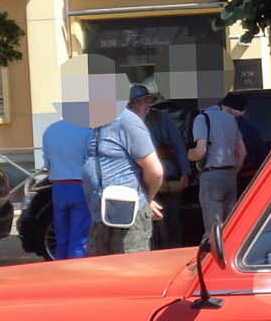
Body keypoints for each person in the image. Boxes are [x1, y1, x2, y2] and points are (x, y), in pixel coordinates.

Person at [83, 82, 163, 255]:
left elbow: (155, 170)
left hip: (128, 216)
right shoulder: (97, 125)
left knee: (130, 273)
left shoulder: (127, 121)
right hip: (101, 215)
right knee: (100, 273)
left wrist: (147, 198)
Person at [188, 91, 249, 237]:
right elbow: (242, 152)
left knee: (213, 231)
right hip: (230, 176)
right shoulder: (230, 119)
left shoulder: (202, 118)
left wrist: (189, 155)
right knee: (229, 228)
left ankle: (212, 259)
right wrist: (234, 171)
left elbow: (201, 150)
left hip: (211, 176)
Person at [41, 104, 94, 260]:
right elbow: (91, 164)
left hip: (58, 187)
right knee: (79, 239)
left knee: (61, 238)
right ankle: (77, 277)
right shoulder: (87, 131)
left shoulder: (50, 130)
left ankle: (60, 273)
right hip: (80, 187)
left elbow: (47, 165)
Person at [144, 93, 191, 249]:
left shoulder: (162, 118)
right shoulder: (129, 120)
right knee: (148, 223)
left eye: (145, 101)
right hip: (145, 178)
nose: (143, 104)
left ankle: (173, 249)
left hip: (167, 176)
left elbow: (178, 144)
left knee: (171, 219)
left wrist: (185, 172)